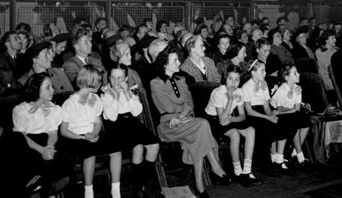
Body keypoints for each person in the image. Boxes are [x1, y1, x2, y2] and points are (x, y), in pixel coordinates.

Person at [150, 48, 231, 198]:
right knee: (202, 125)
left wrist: (180, 114)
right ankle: (214, 166)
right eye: (175, 60)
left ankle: (199, 186)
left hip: (185, 121)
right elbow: (168, 107)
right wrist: (182, 111)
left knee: (198, 132)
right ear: (165, 64)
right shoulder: (156, 83)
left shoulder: (181, 80)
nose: (179, 62)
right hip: (168, 125)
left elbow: (190, 104)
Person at [60, 65, 122, 198]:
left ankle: (116, 191)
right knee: (90, 154)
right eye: (99, 81)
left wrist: (94, 133)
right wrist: (83, 137)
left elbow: (98, 122)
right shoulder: (70, 103)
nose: (101, 83)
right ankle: (89, 192)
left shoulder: (95, 98)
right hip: (75, 138)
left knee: (116, 151)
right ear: (91, 82)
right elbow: (64, 131)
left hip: (92, 134)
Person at [2, 74, 69, 196]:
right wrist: (42, 150)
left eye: (52, 87)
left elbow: (53, 132)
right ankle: (43, 184)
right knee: (24, 151)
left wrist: (49, 147)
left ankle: (44, 184)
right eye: (48, 87)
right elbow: (21, 137)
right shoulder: (22, 109)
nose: (52, 90)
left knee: (61, 148)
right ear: (36, 89)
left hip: (47, 141)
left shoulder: (54, 109)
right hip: (30, 144)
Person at [101, 67, 160, 196]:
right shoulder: (106, 94)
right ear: (109, 78)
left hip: (131, 123)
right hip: (115, 127)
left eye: (120, 78)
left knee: (154, 145)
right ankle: (138, 188)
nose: (116, 81)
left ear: (126, 79)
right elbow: (112, 117)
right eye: (113, 77)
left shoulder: (129, 92)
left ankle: (143, 182)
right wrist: (115, 97)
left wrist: (126, 92)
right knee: (138, 148)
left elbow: (137, 111)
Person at [205, 65, 262, 187]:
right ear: (225, 78)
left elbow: (242, 116)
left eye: (237, 80)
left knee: (250, 130)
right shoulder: (218, 93)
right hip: (213, 121)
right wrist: (230, 99)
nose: (233, 83)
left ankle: (246, 171)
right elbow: (221, 119)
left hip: (229, 119)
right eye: (230, 79)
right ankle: (238, 171)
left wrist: (231, 120)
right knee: (235, 134)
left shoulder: (239, 91)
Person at [242, 59, 290, 172]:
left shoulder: (264, 84)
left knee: (281, 123)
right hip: (253, 115)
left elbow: (266, 105)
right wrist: (267, 117)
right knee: (265, 127)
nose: (265, 73)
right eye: (262, 71)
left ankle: (278, 158)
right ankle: (264, 162)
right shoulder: (246, 87)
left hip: (263, 112)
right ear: (253, 73)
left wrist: (271, 115)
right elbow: (249, 111)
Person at [269, 65, 313, 167]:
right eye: (295, 73)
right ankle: (300, 155)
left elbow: (297, 108)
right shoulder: (282, 89)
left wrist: (292, 110)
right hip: (276, 113)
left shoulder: (297, 88)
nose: (299, 74)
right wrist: (292, 110)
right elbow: (279, 109)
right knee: (294, 120)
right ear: (287, 78)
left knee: (306, 121)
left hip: (288, 113)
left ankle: (295, 152)